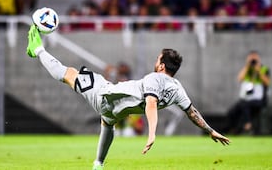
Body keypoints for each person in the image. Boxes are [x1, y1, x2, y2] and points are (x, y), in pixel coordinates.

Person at [26, 25, 230, 170]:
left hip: (105, 96)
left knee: (67, 74)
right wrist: (210, 131)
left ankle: (38, 49)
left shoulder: (155, 78)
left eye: (158, 59)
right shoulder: (178, 89)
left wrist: (152, 133)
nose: (155, 61)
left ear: (161, 66)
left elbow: (151, 103)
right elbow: (191, 112)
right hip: (114, 110)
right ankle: (98, 164)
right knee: (107, 123)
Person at [224, 51, 270, 134]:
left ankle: (247, 124)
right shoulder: (247, 69)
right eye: (251, 58)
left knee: (246, 105)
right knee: (232, 112)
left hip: (258, 99)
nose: (253, 60)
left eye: (254, 58)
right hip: (245, 98)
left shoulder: (264, 69)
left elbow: (267, 82)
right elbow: (240, 78)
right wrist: (247, 66)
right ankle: (233, 130)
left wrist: (258, 70)